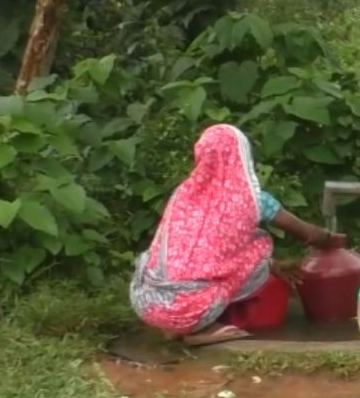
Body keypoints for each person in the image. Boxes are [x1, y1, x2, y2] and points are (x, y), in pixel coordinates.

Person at [130, 124, 336, 346]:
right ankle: (200, 328)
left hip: (147, 302)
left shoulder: (183, 194)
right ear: (240, 156)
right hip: (191, 308)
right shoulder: (253, 200)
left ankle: (171, 328)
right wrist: (330, 239)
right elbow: (308, 233)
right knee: (258, 243)